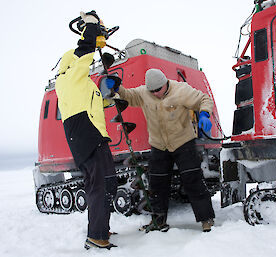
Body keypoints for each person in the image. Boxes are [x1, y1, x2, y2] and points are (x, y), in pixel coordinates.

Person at [116, 68, 215, 232]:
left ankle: (206, 219)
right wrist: (117, 88)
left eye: (158, 90)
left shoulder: (181, 90)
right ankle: (158, 221)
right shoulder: (144, 92)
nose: (155, 93)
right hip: (159, 145)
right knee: (157, 184)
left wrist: (204, 114)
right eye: (152, 91)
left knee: (193, 180)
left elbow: (203, 99)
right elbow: (127, 95)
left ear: (165, 83)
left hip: (183, 142)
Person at [55, 11, 118, 250]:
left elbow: (96, 104)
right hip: (84, 132)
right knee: (99, 184)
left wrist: (110, 96)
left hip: (94, 133)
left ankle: (100, 228)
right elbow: (84, 52)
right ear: (70, 62)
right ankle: (96, 236)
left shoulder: (82, 83)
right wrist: (91, 28)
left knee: (107, 182)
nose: (89, 64)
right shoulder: (68, 78)